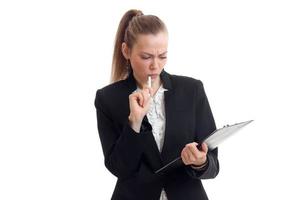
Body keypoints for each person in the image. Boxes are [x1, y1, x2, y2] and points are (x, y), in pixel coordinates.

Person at [94, 9, 219, 200]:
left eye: (162, 56)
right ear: (126, 50)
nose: (156, 66)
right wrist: (134, 122)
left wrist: (200, 161)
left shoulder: (192, 90)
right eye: (146, 57)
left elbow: (213, 165)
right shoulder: (108, 98)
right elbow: (119, 168)